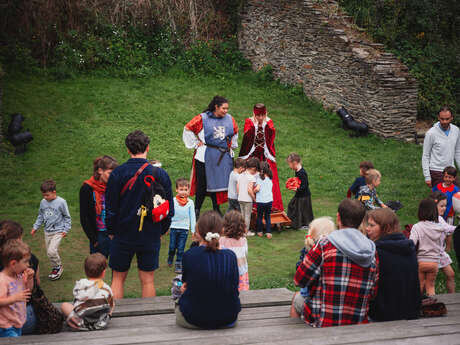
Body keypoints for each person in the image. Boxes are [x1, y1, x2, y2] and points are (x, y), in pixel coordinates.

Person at [106, 130, 174, 299]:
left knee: (118, 278)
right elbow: (168, 209)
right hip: (151, 231)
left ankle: (116, 319)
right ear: (148, 147)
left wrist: (112, 231)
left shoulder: (117, 173)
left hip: (123, 232)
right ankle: (148, 321)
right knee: (148, 280)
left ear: (128, 149)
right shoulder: (160, 174)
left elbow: (111, 209)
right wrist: (161, 229)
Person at [291, 199, 379, 328]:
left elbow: (299, 280)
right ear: (361, 221)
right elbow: (373, 293)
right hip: (357, 323)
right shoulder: (372, 251)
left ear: (338, 218)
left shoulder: (324, 245)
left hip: (323, 322)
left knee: (296, 300)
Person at [176, 211, 241, 329]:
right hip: (228, 318)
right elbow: (235, 287)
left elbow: (186, 285)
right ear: (222, 232)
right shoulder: (230, 256)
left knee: (178, 293)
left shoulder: (189, 255)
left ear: (198, 233)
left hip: (193, 318)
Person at [183, 96, 239, 218]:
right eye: (223, 108)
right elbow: (188, 128)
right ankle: (196, 210)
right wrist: (195, 143)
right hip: (204, 156)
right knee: (202, 184)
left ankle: (216, 208)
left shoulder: (230, 119)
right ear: (216, 107)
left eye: (227, 108)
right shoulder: (202, 118)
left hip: (222, 156)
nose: (226, 111)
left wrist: (232, 146)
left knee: (217, 183)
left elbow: (235, 132)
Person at [365, 208, 420, 321]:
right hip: (411, 313)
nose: (367, 228)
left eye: (372, 225)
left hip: (383, 317)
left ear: (387, 228)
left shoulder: (377, 252)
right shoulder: (408, 248)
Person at [239, 103, 284, 211]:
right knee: (251, 178)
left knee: (267, 178)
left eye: (262, 115)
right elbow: (247, 136)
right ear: (254, 114)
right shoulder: (249, 122)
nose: (260, 118)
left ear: (266, 114)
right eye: (258, 115)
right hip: (253, 156)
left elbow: (271, 134)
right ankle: (251, 205)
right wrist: (254, 126)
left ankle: (270, 204)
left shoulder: (268, 123)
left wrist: (264, 125)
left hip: (265, 156)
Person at [0, 221, 40, 335]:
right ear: (13, 263)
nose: (28, 265)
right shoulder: (3, 280)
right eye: (26, 262)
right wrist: (14, 298)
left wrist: (30, 279)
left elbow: (28, 292)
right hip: (6, 325)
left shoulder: (18, 275)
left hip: (17, 321)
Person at [61, 253, 114, 331]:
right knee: (112, 302)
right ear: (103, 273)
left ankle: (76, 322)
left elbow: (76, 296)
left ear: (85, 272)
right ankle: (105, 319)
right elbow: (111, 305)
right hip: (100, 321)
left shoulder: (81, 285)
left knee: (64, 305)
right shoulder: (106, 288)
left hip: (82, 319)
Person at [31, 179, 71, 281]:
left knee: (52, 250)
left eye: (47, 195)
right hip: (47, 231)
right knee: (49, 253)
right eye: (43, 195)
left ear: (54, 192)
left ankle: (58, 267)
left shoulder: (61, 202)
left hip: (58, 231)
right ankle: (55, 267)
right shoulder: (43, 202)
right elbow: (40, 215)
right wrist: (35, 227)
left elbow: (67, 217)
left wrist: (66, 229)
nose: (45, 197)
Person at [80, 155, 119, 258]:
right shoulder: (87, 188)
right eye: (110, 173)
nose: (113, 177)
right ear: (100, 171)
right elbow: (84, 217)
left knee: (117, 267)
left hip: (114, 233)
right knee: (97, 267)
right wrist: (94, 239)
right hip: (99, 235)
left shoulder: (114, 186)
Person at [410, 198, 447, 296]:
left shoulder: (417, 227)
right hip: (434, 262)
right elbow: (442, 243)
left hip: (421, 261)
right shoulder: (440, 228)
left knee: (419, 285)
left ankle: (417, 307)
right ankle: (432, 306)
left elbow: (411, 244)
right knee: (430, 286)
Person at [295, 217, 336, 300]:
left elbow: (299, 269)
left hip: (308, 291)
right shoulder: (328, 251)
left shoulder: (308, 249)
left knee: (296, 300)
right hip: (322, 293)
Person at [422, 106, 460, 188]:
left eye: (447, 119)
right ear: (438, 118)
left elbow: (457, 152)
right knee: (441, 198)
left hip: (451, 170)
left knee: (457, 195)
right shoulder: (431, 133)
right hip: (436, 171)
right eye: (442, 119)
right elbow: (425, 155)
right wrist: (427, 177)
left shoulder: (456, 130)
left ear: (452, 118)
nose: (444, 121)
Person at [428, 192, 456, 293]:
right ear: (433, 206)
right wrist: (458, 229)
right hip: (429, 254)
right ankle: (424, 299)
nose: (444, 208)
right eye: (441, 206)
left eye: (445, 205)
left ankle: (452, 297)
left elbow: (448, 228)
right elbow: (447, 228)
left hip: (440, 253)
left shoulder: (439, 218)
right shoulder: (431, 220)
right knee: (429, 281)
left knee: (451, 274)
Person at [168, 178, 196, 274]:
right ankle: (170, 256)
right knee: (172, 246)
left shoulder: (190, 203)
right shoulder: (173, 201)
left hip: (184, 229)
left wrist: (193, 230)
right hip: (173, 227)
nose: (183, 192)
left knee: (180, 248)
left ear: (188, 190)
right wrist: (166, 226)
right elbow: (169, 213)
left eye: (185, 189)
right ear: (176, 190)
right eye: (181, 189)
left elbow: (192, 216)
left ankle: (178, 263)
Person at [220, 211, 249, 291]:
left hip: (227, 274)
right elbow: (245, 254)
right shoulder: (243, 240)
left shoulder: (222, 241)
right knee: (243, 297)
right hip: (242, 274)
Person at [286, 153, 314, 230]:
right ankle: (291, 222)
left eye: (289, 164)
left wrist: (297, 189)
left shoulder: (302, 172)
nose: (289, 166)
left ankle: (304, 224)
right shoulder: (297, 171)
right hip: (299, 194)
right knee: (292, 206)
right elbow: (299, 182)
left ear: (294, 163)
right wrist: (293, 184)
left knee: (303, 210)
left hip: (304, 195)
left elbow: (305, 184)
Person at [237, 157, 259, 235]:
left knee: (242, 215)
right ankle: (246, 232)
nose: (255, 172)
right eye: (255, 170)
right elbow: (249, 190)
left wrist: (239, 195)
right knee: (247, 216)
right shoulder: (251, 177)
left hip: (240, 198)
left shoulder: (240, 175)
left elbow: (238, 187)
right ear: (253, 168)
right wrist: (254, 198)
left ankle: (241, 231)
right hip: (247, 199)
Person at [254, 161, 274, 238]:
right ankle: (268, 232)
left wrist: (254, 190)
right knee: (267, 216)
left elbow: (257, 189)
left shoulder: (259, 179)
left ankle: (260, 231)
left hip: (261, 201)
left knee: (259, 216)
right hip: (269, 201)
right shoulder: (270, 178)